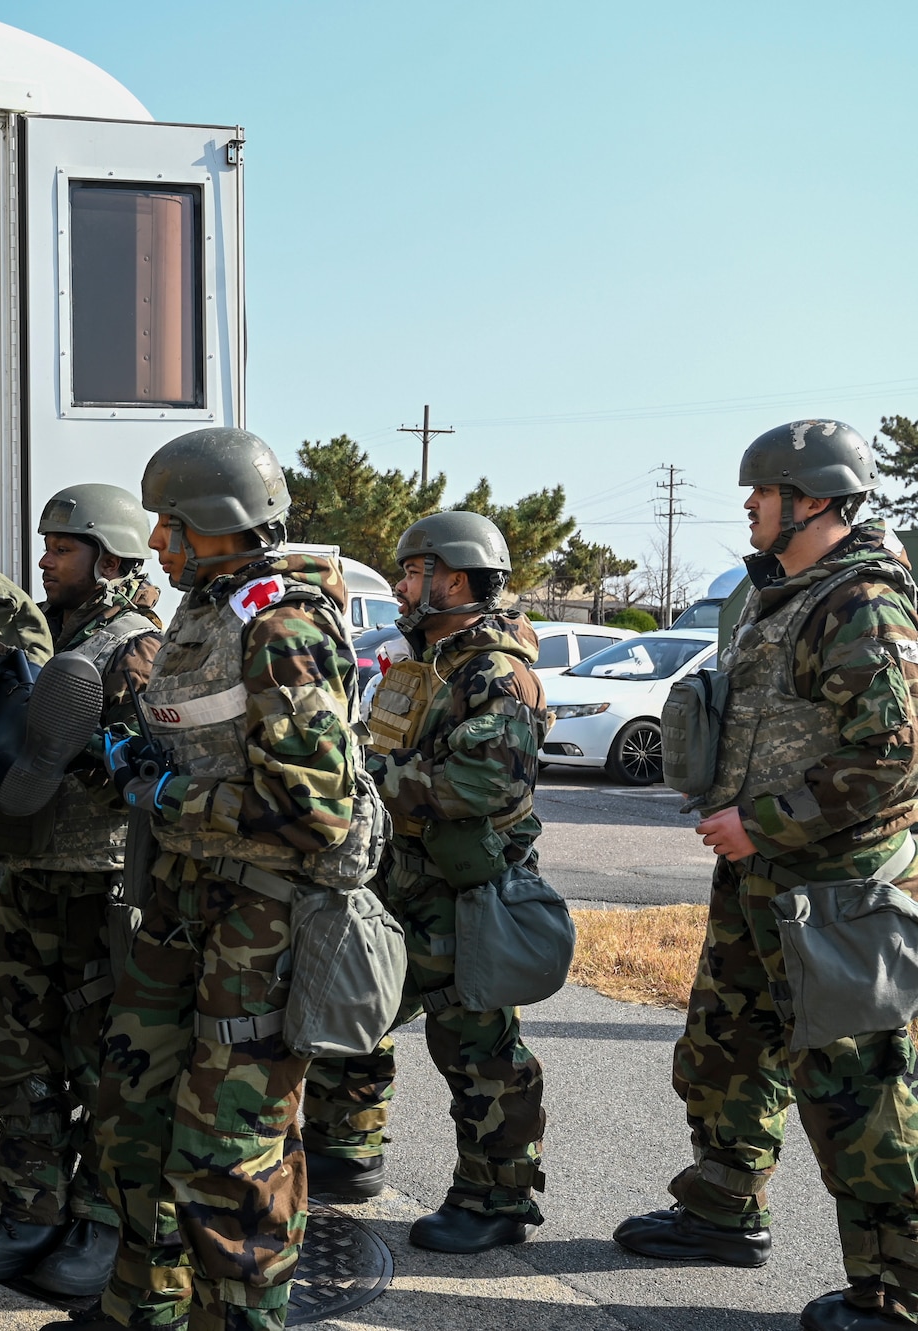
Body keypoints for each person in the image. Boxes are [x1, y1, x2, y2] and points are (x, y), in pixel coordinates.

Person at [614, 421, 918, 1331]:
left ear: (813, 500)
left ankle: (896, 1290)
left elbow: (896, 753)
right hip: (763, 878)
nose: (748, 504)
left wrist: (762, 820)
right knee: (724, 1047)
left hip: (834, 889)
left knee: (856, 1089)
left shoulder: (861, 602)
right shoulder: (783, 595)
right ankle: (722, 1207)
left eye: (764, 492)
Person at [82, 428, 367, 1331]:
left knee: (230, 1151)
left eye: (171, 525)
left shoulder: (284, 626)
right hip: (185, 905)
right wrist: (144, 757)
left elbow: (314, 811)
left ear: (217, 525)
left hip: (259, 922)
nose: (157, 545)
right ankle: (144, 1308)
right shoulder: (210, 608)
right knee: (133, 1115)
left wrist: (173, 796)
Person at [300, 513, 552, 1253]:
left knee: (477, 1044)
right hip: (402, 877)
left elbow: (482, 783)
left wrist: (363, 781)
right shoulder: (426, 659)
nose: (404, 585)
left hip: (463, 891)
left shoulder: (495, 671)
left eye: (414, 572)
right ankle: (347, 1149)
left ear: (457, 577)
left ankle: (498, 1196)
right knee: (351, 1003)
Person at [0, 485, 163, 1299]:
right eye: (44, 546)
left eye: (60, 548)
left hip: (99, 889)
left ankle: (105, 1221)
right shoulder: (42, 632)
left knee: (104, 1060)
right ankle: (31, 1204)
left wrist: (95, 752)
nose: (44, 560)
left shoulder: (136, 647)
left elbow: (155, 772)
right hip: (30, 879)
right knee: (14, 1044)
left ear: (109, 560)